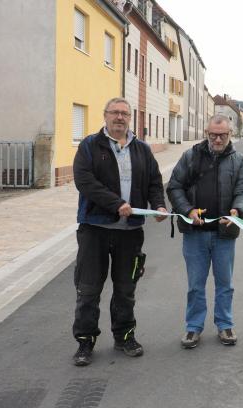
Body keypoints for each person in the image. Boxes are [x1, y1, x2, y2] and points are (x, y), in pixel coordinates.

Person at [72, 97, 168, 366]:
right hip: (95, 229)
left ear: (130, 118)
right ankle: (85, 342)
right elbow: (85, 182)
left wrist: (158, 205)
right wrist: (116, 204)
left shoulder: (142, 150)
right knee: (89, 289)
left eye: (124, 113)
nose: (119, 117)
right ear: (105, 116)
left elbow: (153, 182)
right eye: (114, 112)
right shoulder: (90, 146)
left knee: (126, 288)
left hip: (130, 231)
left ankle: (124, 336)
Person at [166, 115, 243, 349]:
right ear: (206, 132)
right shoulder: (190, 156)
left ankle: (225, 325)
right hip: (195, 234)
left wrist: (237, 210)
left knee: (225, 283)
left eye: (222, 135)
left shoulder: (239, 161)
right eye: (213, 134)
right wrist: (187, 210)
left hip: (225, 234)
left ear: (230, 134)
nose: (217, 139)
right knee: (196, 284)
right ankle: (193, 328)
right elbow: (174, 186)